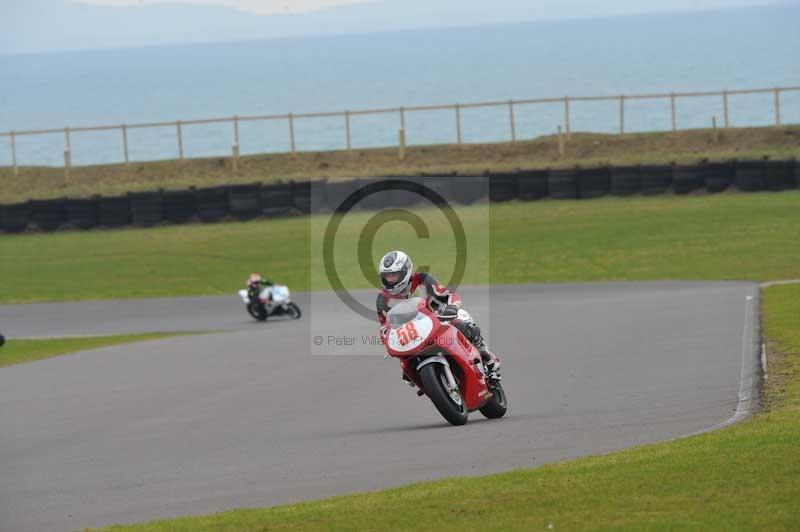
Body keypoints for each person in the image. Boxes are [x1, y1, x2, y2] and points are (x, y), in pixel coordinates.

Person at [376, 250, 500, 383]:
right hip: (412, 335)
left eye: (394, 275)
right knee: (406, 372)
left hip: (437, 320)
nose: (390, 280)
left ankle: (487, 358)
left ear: (406, 271)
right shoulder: (383, 299)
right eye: (387, 276)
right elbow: (385, 327)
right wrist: (387, 341)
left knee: (465, 323)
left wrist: (451, 307)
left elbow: (448, 296)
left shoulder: (422, 280)